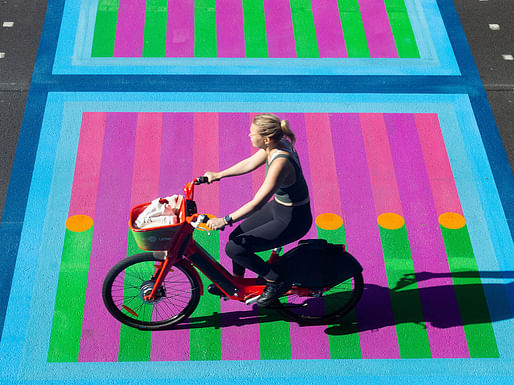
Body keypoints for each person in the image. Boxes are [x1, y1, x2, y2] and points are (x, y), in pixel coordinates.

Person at [204, 113, 312, 306]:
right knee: (236, 238)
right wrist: (219, 175)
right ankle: (235, 283)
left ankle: (275, 280)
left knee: (234, 249)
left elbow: (257, 203)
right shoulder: (274, 146)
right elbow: (250, 163)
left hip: (293, 219)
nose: (249, 136)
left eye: (252, 133)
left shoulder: (280, 162)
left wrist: (226, 219)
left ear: (266, 139)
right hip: (280, 208)